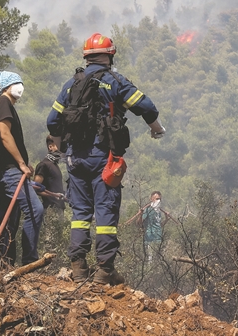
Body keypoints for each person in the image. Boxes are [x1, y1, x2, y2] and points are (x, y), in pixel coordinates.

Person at [47, 32, 165, 285]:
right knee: (105, 213)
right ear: (110, 55)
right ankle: (104, 271)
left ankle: (78, 267)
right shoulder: (116, 82)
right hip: (105, 159)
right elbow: (146, 107)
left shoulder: (70, 85)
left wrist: (61, 149)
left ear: (86, 57)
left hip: (75, 159)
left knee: (79, 213)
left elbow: (52, 121)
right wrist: (157, 129)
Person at [0, 71, 45, 266]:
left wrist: (24, 163)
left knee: (7, 221)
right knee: (35, 210)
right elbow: (4, 134)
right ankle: (29, 260)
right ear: (6, 87)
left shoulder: (1, 105)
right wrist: (20, 163)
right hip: (8, 171)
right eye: (16, 83)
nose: (21, 86)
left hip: (2, 171)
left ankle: (0, 263)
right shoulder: (3, 102)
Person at [33, 135, 67, 219]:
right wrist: (53, 195)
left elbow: (56, 188)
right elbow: (35, 188)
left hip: (60, 208)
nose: (61, 148)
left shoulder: (55, 166)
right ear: (50, 146)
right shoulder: (43, 165)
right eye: (58, 145)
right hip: (50, 209)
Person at [138, 191, 172, 261]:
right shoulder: (148, 210)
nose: (158, 201)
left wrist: (166, 219)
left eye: (160, 199)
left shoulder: (159, 211)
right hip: (150, 239)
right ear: (151, 199)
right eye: (157, 199)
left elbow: (159, 225)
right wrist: (140, 214)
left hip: (158, 239)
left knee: (158, 259)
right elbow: (139, 223)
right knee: (150, 259)